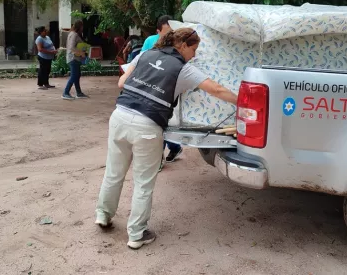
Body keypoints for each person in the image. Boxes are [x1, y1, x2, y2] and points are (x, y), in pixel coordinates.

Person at [95, 28, 238, 250]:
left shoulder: (146, 54)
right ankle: (136, 234)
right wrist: (245, 101)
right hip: (147, 125)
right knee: (143, 183)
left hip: (120, 117)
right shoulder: (184, 69)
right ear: (182, 46)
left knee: (113, 172)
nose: (195, 54)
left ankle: (103, 215)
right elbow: (217, 90)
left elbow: (121, 83)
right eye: (194, 49)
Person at [141, 15, 183, 167]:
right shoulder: (149, 42)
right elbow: (142, 62)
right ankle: (170, 150)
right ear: (158, 31)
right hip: (151, 88)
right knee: (157, 123)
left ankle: (162, 156)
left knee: (164, 122)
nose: (169, 37)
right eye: (166, 33)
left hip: (168, 89)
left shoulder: (179, 44)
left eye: (172, 32)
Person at [63, 20, 89, 100]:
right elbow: (72, 48)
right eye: (82, 26)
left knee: (77, 75)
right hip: (73, 58)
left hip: (75, 58)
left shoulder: (73, 34)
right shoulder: (74, 35)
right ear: (79, 26)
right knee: (74, 76)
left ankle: (79, 93)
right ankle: (65, 92)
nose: (82, 28)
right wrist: (81, 53)